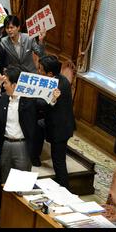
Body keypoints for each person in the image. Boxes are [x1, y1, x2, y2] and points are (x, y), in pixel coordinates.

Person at [37, 55, 74, 188]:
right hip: (60, 125)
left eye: (41, 70)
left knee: (59, 162)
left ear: (50, 73)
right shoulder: (61, 79)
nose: (39, 72)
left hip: (60, 129)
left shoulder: (55, 86)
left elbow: (43, 103)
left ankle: (65, 190)